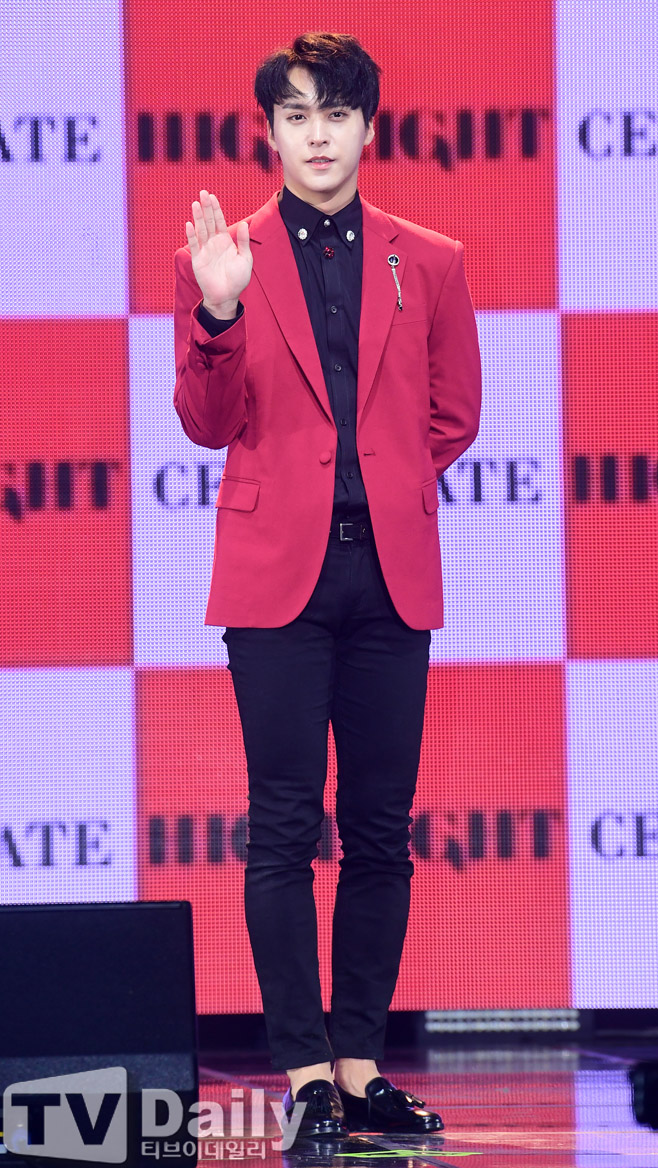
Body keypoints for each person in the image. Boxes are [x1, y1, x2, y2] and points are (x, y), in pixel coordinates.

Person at [174, 31, 481, 1142]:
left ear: (368, 127)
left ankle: (359, 1068)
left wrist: (382, 485)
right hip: (276, 578)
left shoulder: (428, 258)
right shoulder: (226, 257)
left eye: (335, 113)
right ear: (269, 131)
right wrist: (217, 314)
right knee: (282, 828)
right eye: (296, 114)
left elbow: (455, 413)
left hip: (389, 573)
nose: (317, 134)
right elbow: (205, 423)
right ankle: (303, 1073)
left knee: (382, 831)